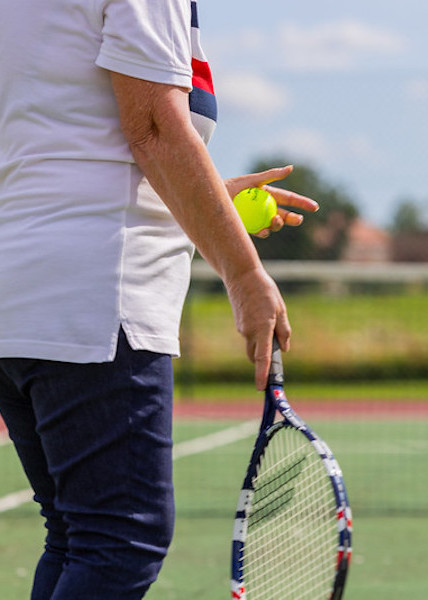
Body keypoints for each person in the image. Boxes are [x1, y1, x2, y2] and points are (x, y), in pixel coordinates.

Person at [0, 1, 317, 598]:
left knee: (75, 536)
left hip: (21, 294)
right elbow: (151, 126)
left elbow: (59, 140)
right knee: (120, 540)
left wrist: (212, 203)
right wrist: (245, 276)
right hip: (93, 295)